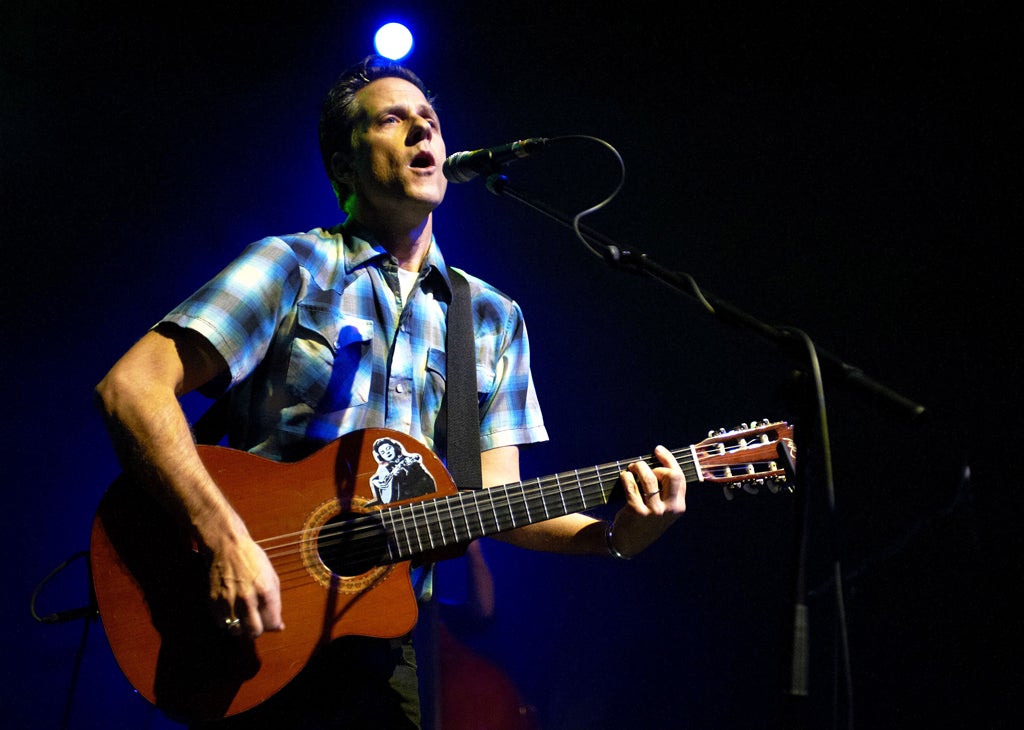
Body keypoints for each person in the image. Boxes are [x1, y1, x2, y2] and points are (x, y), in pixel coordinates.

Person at [94, 54, 687, 729]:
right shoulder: (292, 267)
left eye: (428, 119)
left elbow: (491, 498)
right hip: (249, 625)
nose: (421, 130)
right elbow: (131, 387)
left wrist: (614, 535)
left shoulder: (490, 316)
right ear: (344, 167)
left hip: (379, 642)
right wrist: (225, 537)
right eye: (392, 119)